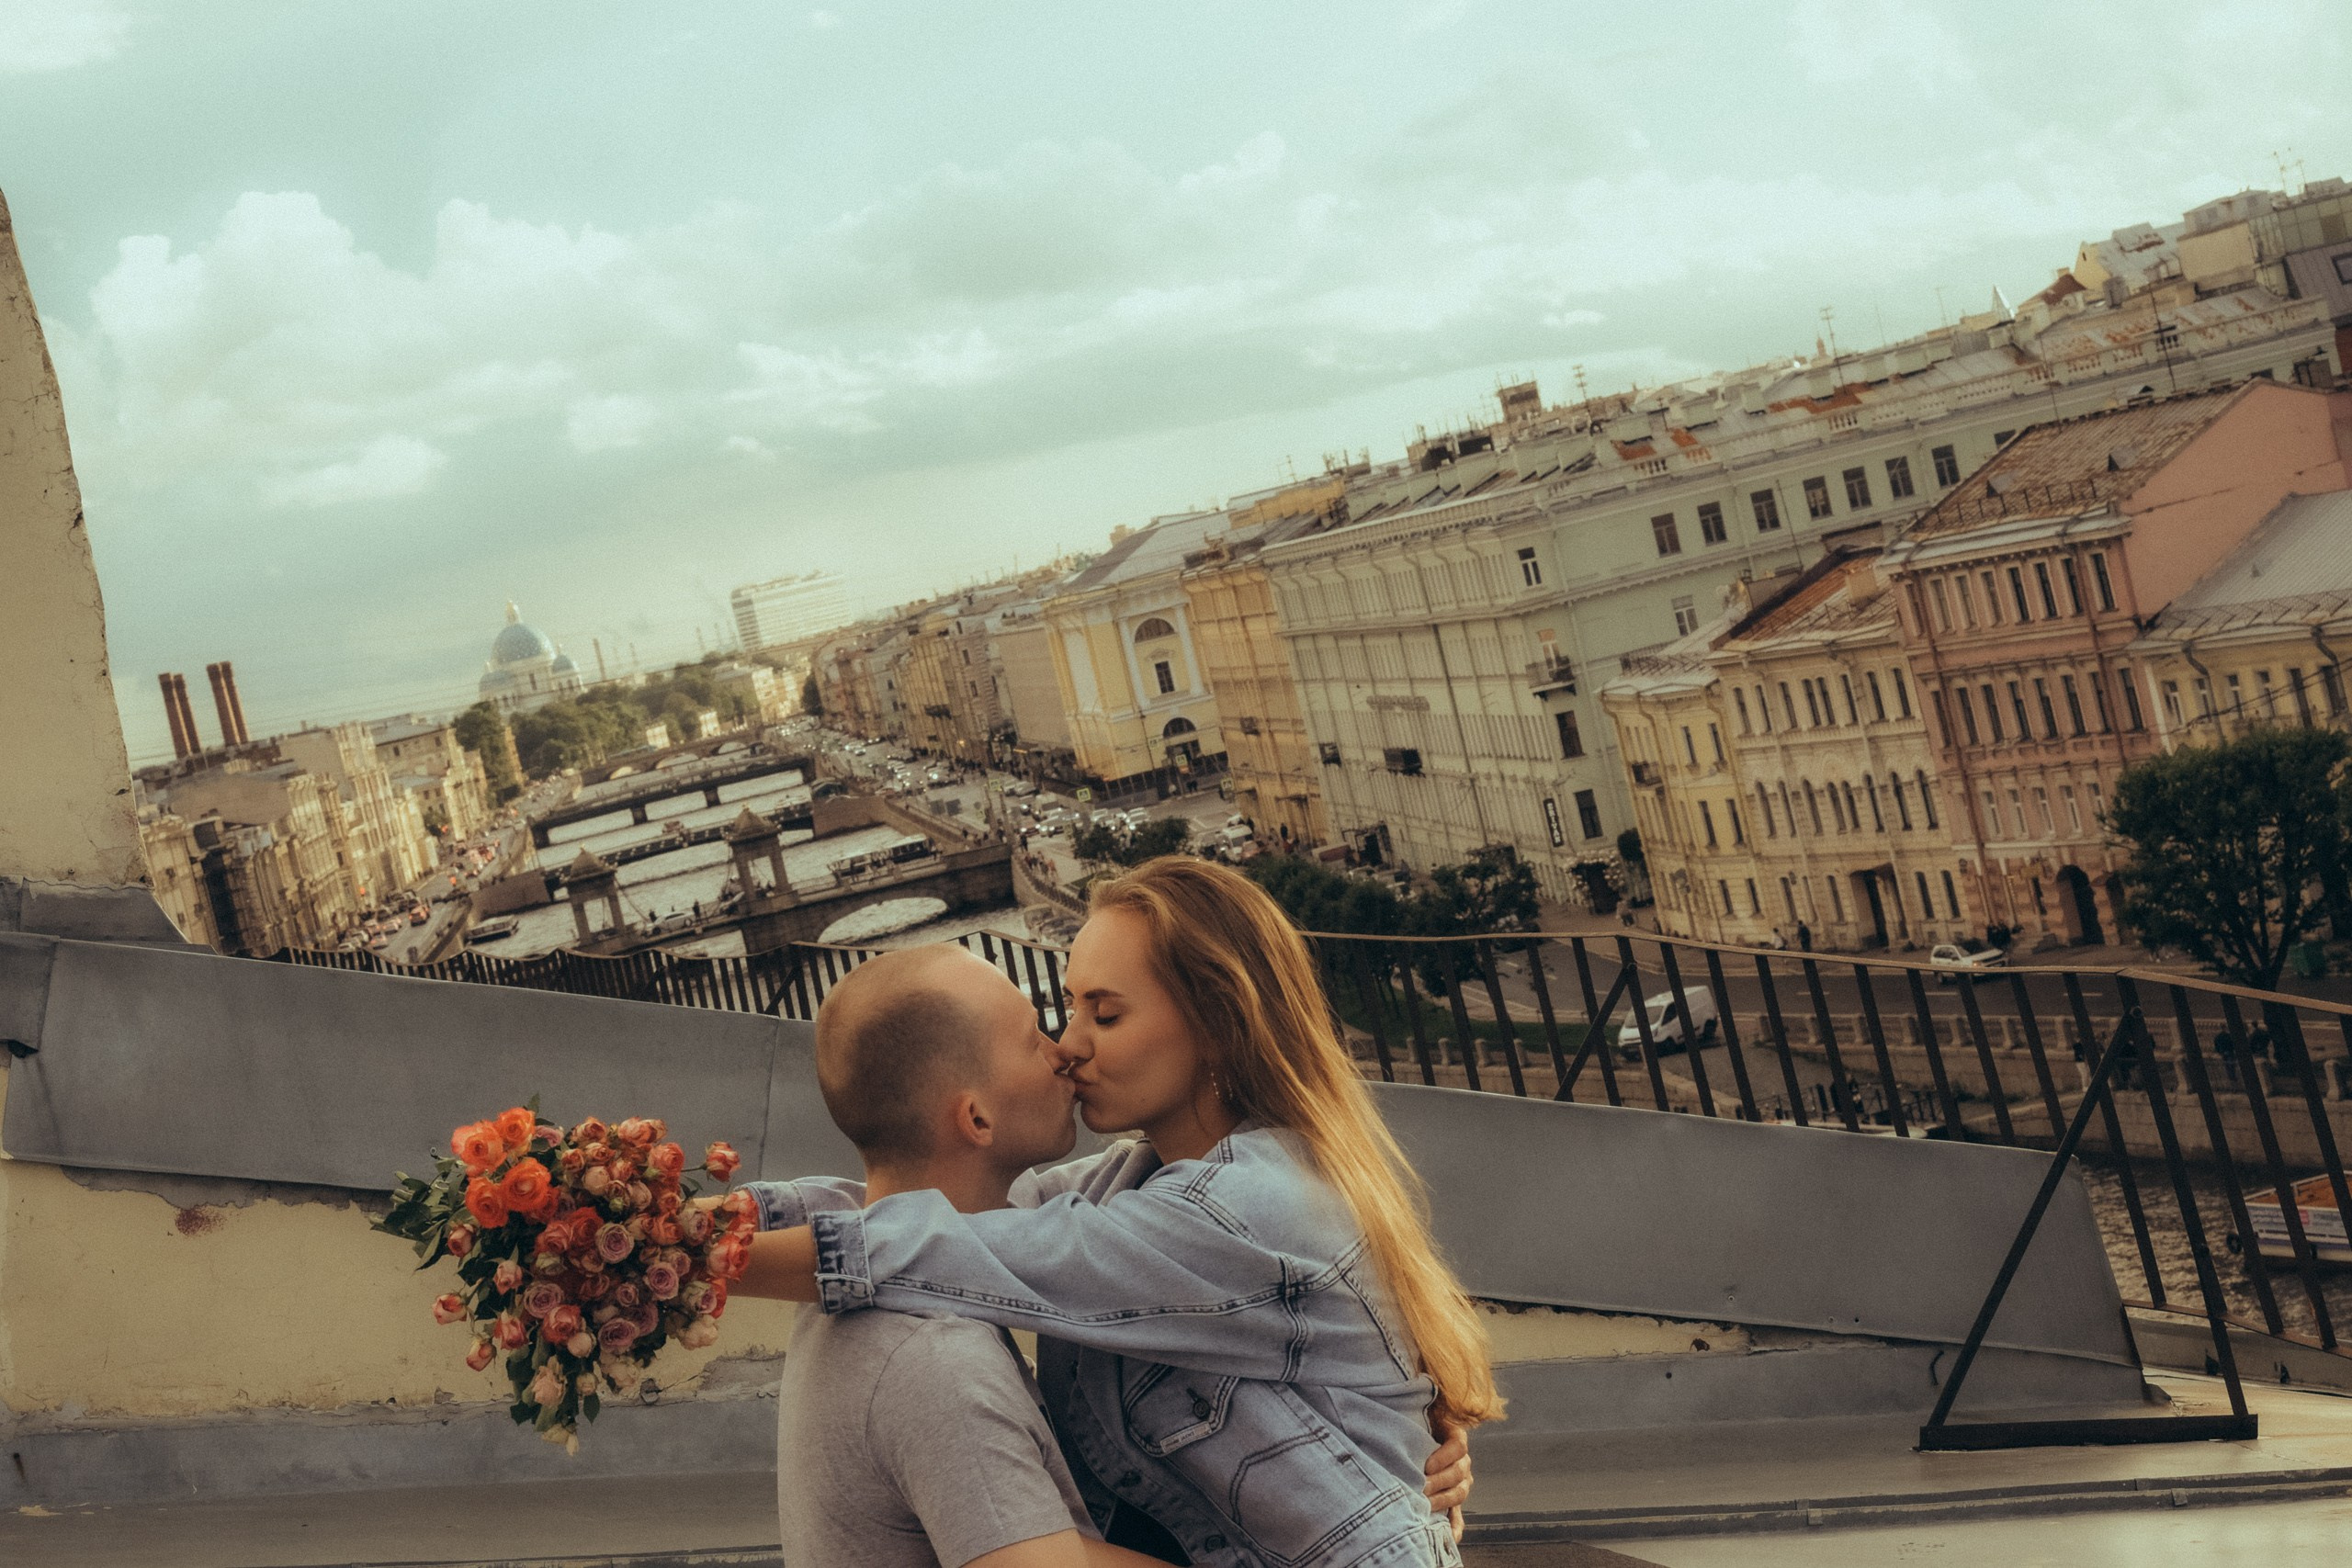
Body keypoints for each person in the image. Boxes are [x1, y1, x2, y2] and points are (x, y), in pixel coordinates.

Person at [738, 859, 1489, 1567]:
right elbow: (953, 1220)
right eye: (1069, 1009)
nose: (1068, 1046)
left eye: (1105, 1013)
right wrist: (670, 1231)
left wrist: (705, 1261)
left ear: (1216, 1025)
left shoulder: (1240, 1208)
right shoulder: (1132, 1183)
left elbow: (938, 1241)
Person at [774, 945, 1169, 1568]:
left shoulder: (882, 1268)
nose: (1061, 1049)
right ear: (977, 1118)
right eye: (1030, 1036)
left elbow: (1080, 1197)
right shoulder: (933, 1355)